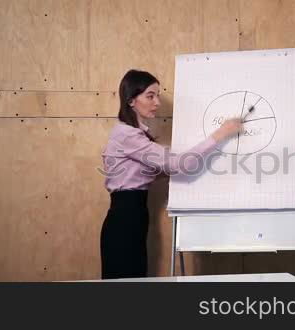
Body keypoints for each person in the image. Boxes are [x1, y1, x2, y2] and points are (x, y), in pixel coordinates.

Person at [100, 69, 242, 279]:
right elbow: (177, 164)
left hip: (134, 215)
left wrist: (174, 170)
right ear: (131, 100)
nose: (157, 102)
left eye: (157, 95)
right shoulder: (127, 135)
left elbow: (145, 173)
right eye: (150, 96)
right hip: (125, 218)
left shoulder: (133, 134)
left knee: (133, 280)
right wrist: (220, 134)